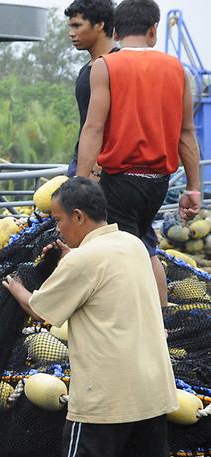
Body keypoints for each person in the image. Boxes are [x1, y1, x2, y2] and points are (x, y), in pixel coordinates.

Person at [3, 177, 178, 457]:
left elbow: (42, 312)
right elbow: (100, 277)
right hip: (153, 385)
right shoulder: (129, 243)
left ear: (78, 217)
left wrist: (17, 287)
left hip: (105, 394)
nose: (58, 227)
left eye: (59, 219)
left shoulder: (82, 260)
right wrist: (72, 260)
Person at [76, 0, 202, 306]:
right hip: (158, 183)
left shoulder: (104, 66)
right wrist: (194, 189)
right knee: (145, 249)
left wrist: (81, 185)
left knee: (122, 259)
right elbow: (187, 133)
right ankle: (160, 320)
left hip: (120, 181)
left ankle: (144, 328)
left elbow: (93, 128)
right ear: (153, 30)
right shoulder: (177, 70)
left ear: (116, 31)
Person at [64, 0, 116, 177]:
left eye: (77, 26)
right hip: (81, 162)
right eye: (70, 27)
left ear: (100, 24)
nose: (71, 34)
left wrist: (97, 167)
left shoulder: (118, 66)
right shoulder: (86, 69)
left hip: (104, 167)